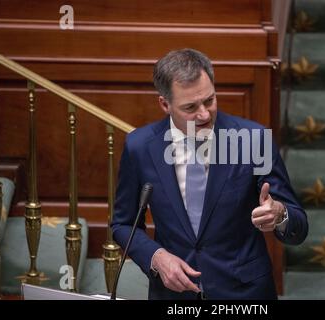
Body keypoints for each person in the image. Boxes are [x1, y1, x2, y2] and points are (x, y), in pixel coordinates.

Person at [112, 48, 308, 300]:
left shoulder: (253, 140)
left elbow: (298, 226)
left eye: (210, 100)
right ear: (165, 104)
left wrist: (280, 214)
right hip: (174, 296)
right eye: (190, 107)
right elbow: (123, 223)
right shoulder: (139, 146)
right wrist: (156, 257)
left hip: (244, 294)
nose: (204, 114)